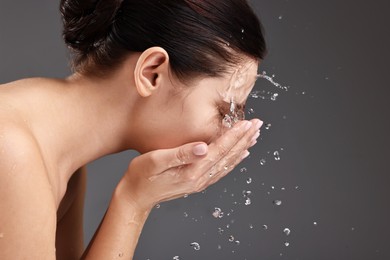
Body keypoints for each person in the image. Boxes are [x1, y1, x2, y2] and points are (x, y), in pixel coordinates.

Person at [0, 0, 266, 259]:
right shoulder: (11, 151)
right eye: (224, 111)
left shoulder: (64, 166)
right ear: (152, 73)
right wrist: (132, 206)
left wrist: (134, 199)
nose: (228, 132)